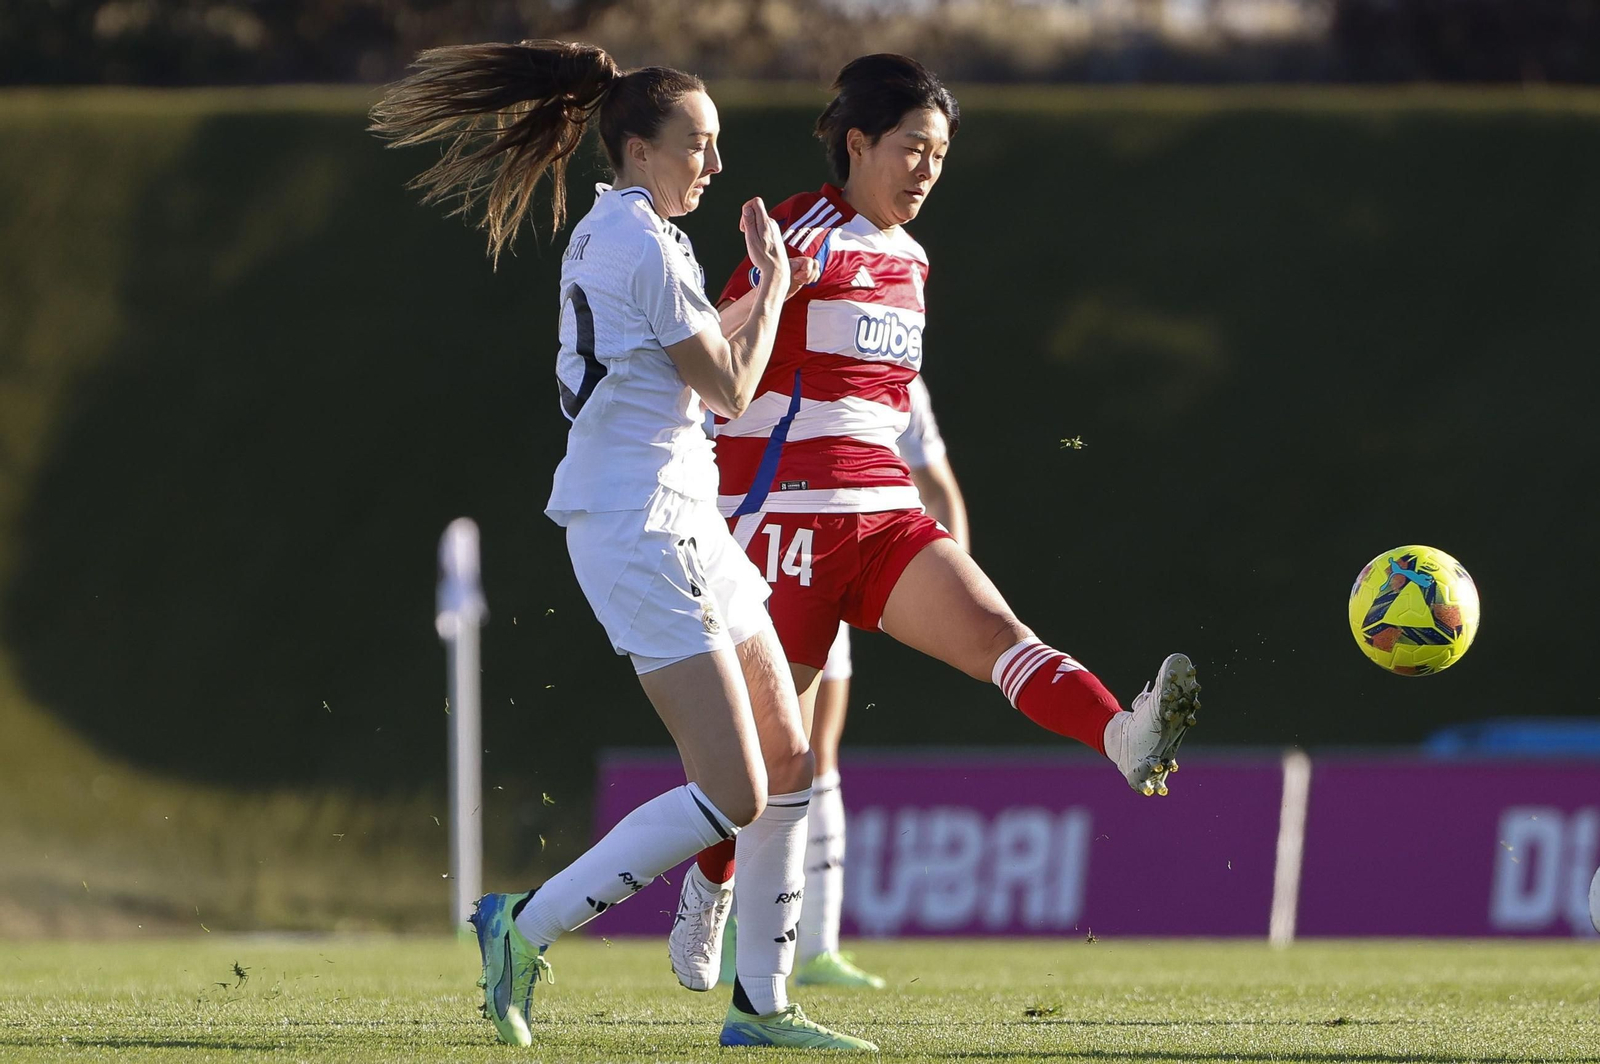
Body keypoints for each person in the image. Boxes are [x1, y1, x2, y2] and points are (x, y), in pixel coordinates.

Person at [371, 40, 874, 1051]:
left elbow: (695, 366)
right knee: (734, 787)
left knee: (784, 761)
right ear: (639, 148)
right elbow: (733, 388)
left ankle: (762, 1010)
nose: (715, 164)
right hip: (638, 525)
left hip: (687, 514)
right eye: (700, 143)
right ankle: (525, 923)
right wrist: (775, 285)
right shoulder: (637, 241)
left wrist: (769, 290)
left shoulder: (643, 233)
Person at [667, 53, 1201, 994]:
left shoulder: (912, 260)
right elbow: (712, 361)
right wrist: (765, 288)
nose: (926, 170)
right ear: (857, 143)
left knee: (1001, 636)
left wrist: (934, 513)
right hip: (780, 524)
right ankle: (709, 890)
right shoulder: (801, 231)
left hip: (881, 515)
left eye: (941, 155)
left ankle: (1126, 737)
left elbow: (891, 408)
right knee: (755, 767)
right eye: (913, 147)